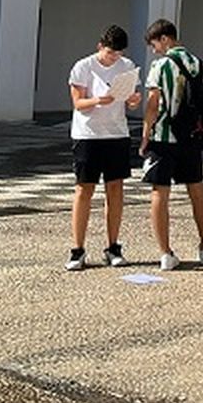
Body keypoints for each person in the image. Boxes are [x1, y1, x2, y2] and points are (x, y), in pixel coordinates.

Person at [65, 25, 141, 271]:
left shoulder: (127, 66)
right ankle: (77, 249)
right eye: (110, 53)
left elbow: (131, 100)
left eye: (118, 54)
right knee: (84, 189)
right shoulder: (83, 67)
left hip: (116, 132)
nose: (114, 58)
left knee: (115, 188)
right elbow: (78, 103)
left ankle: (113, 246)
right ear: (100, 47)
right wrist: (99, 99)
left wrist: (133, 100)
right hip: (88, 134)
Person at [140, 19, 203, 271]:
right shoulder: (200, 64)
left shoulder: (160, 65)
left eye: (154, 44)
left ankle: (166, 253)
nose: (154, 50)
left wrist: (145, 133)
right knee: (197, 189)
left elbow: (153, 103)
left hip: (165, 135)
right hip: (192, 136)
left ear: (164, 39)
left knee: (160, 192)